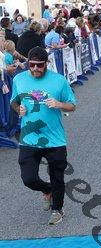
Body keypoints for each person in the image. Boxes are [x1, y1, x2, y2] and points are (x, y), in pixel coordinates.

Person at [10, 47, 77, 225]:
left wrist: (59, 104)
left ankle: (57, 209)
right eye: (32, 65)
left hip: (54, 139)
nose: (35, 69)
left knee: (57, 176)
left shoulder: (59, 81)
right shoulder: (19, 79)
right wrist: (18, 109)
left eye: (39, 65)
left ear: (46, 64)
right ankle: (48, 190)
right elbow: (14, 102)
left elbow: (72, 105)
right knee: (28, 179)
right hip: (29, 138)